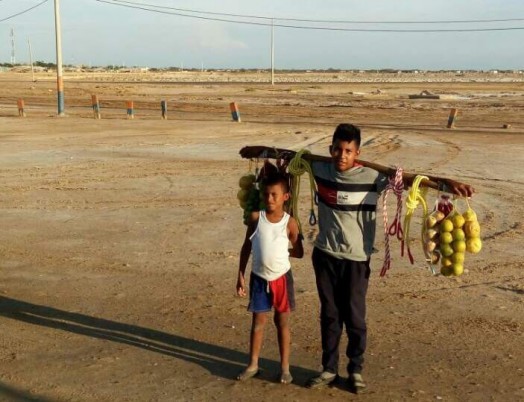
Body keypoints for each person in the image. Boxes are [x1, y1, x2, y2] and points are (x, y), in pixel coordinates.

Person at [305, 123, 475, 393]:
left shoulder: (373, 176)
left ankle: (355, 370)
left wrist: (446, 183)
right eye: (337, 149)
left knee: (355, 317)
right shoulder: (319, 169)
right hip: (325, 254)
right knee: (329, 315)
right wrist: (258, 152)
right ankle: (328, 369)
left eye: (348, 151)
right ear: (330, 149)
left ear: (357, 153)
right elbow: (287, 159)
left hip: (356, 259)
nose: (341, 155)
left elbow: (410, 180)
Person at [236, 172, 304, 384]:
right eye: (266, 194)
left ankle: (285, 368)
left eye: (274, 194)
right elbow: (246, 247)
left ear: (286, 197)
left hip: (282, 278)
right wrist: (240, 275)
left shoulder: (290, 223)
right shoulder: (256, 219)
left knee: (282, 322)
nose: (270, 199)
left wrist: (282, 252)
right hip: (258, 278)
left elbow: (299, 251)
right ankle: (253, 364)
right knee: (258, 322)